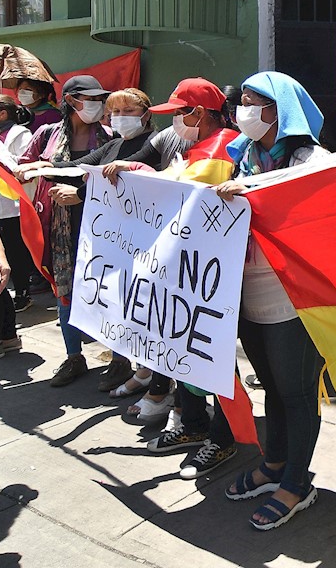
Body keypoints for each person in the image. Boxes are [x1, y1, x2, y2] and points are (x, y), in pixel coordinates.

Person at [214, 71, 329, 530]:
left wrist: (257, 196)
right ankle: (276, 463)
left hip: (291, 296)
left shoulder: (312, 158)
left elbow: (317, 218)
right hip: (247, 292)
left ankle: (298, 485)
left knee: (297, 389)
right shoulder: (241, 156)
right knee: (272, 386)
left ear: (279, 110)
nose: (241, 111)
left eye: (251, 101)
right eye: (240, 101)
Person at [103, 78, 241, 454]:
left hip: (207, 276)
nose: (175, 122)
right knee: (185, 352)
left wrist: (139, 174)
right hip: (187, 273)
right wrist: (136, 168)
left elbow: (178, 193)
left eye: (180, 113)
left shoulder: (221, 146)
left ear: (198, 113)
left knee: (208, 356)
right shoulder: (200, 145)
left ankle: (223, 436)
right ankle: (194, 425)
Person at [17, 87, 159, 394]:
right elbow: (79, 168)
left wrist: (80, 194)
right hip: (103, 238)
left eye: (130, 111)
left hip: (136, 242)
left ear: (146, 114)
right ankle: (129, 369)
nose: (121, 118)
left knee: (134, 304)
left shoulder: (152, 144)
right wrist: (37, 167)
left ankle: (146, 375)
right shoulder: (113, 145)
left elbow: (126, 182)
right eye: (116, 112)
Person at [16, 75, 111, 388]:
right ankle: (74, 357)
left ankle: (120, 359)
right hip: (59, 227)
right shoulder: (47, 135)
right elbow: (23, 167)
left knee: (109, 289)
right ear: (71, 101)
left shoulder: (109, 136)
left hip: (102, 227)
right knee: (64, 288)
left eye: (100, 99)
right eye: (91, 99)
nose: (97, 105)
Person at [0, 94, 36, 314]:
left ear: (2, 113)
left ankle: (23, 292)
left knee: (16, 250)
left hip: (13, 202)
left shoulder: (19, 134)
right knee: (0, 249)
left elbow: (23, 164)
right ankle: (5, 293)